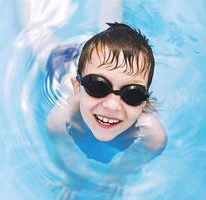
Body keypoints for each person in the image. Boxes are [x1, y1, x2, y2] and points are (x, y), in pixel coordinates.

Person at [46, 22, 167, 164]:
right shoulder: (59, 121)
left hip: (100, 61)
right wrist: (72, 177)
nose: (112, 105)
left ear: (143, 103)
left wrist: (116, 177)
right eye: (98, 86)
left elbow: (133, 164)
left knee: (111, 33)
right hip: (65, 62)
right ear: (77, 88)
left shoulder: (154, 137)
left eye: (132, 94)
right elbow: (66, 154)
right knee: (37, 37)